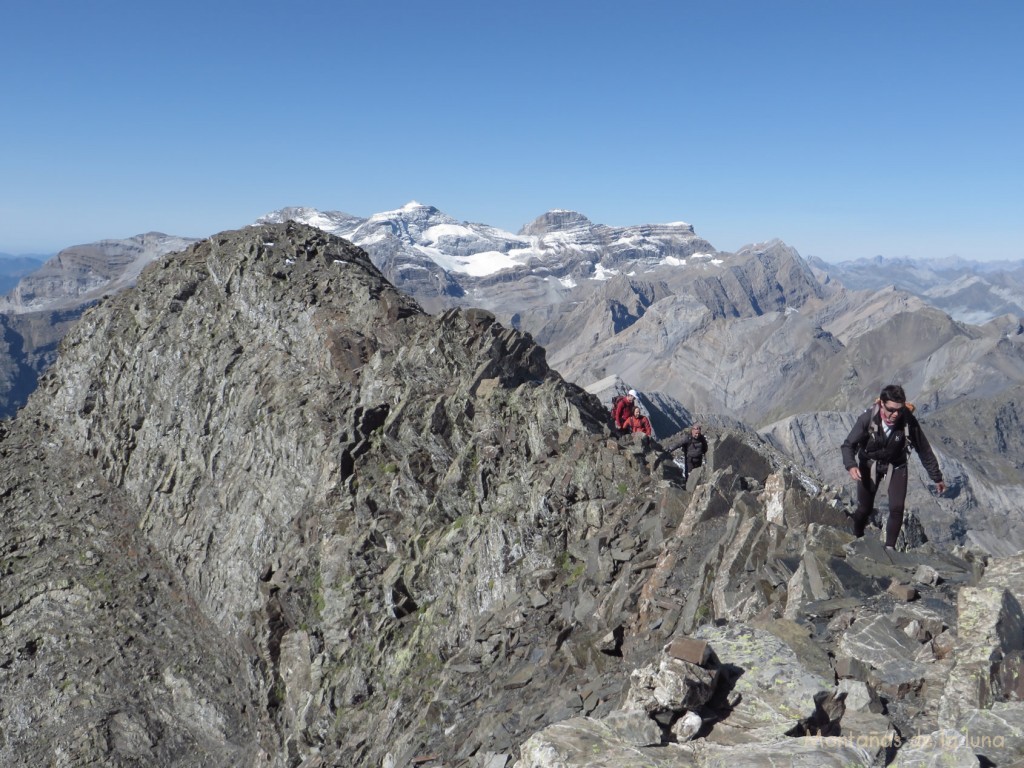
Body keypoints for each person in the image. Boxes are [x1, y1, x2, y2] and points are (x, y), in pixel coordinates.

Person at [841, 384, 946, 549]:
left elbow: (923, 449)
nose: (895, 414)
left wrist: (937, 477)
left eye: (899, 409)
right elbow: (848, 445)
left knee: (897, 508)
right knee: (864, 508)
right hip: (869, 465)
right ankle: (856, 537)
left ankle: (890, 548)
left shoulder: (908, 420)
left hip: (896, 465)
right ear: (882, 404)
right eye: (891, 409)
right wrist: (851, 465)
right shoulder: (867, 419)